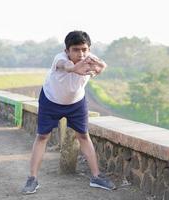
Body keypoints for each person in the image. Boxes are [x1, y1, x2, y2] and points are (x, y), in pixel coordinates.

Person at [22, 30, 116, 194]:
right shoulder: (60, 59)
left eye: (84, 49)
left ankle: (96, 177)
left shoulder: (90, 59)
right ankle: (32, 179)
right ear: (67, 50)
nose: (81, 54)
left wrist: (100, 68)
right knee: (42, 136)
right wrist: (73, 68)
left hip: (76, 103)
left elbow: (102, 66)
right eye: (75, 50)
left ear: (89, 49)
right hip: (51, 100)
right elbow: (65, 66)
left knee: (84, 136)